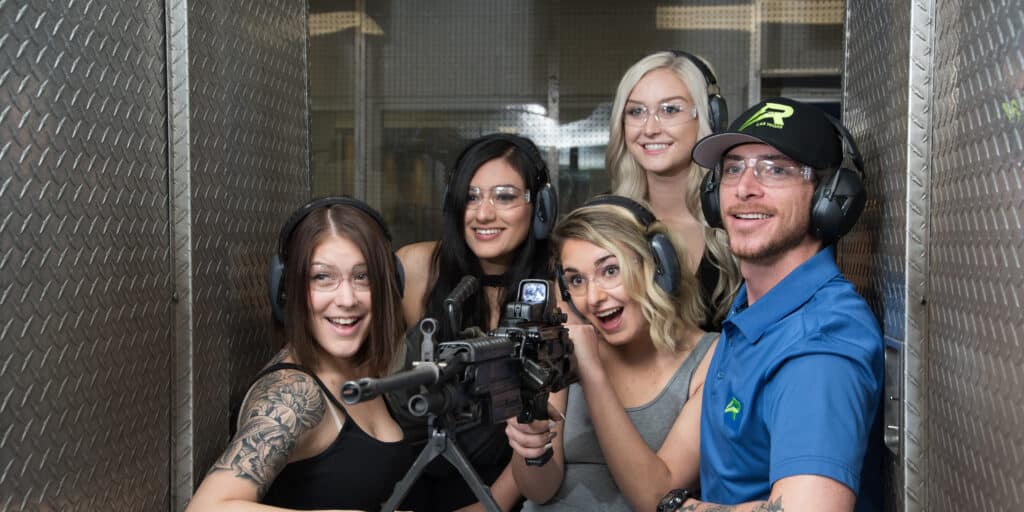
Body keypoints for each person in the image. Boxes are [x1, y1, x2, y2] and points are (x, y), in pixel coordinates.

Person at [660, 97, 884, 511]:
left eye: (775, 169)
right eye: (733, 169)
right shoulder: (754, 310)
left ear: (830, 199)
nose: (745, 187)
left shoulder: (819, 342)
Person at [187, 197, 413, 511]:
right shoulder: (292, 393)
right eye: (323, 277)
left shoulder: (360, 373)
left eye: (363, 277)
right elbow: (207, 507)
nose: (347, 299)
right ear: (287, 290)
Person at [505, 195, 718, 511]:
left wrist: (591, 373)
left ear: (660, 267)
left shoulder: (710, 357)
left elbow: (656, 498)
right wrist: (532, 451)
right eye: (577, 279)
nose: (593, 298)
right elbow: (539, 490)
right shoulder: (560, 349)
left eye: (610, 270)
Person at [395, 133, 557, 511]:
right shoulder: (417, 268)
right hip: (407, 481)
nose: (483, 213)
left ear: (541, 207)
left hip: (502, 491)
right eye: (470, 196)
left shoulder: (557, 282)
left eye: (504, 196)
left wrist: (488, 507)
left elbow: (544, 432)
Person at [606, 50, 741, 330]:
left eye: (670, 110)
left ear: (707, 117)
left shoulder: (738, 224)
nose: (650, 128)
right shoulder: (604, 225)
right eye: (636, 111)